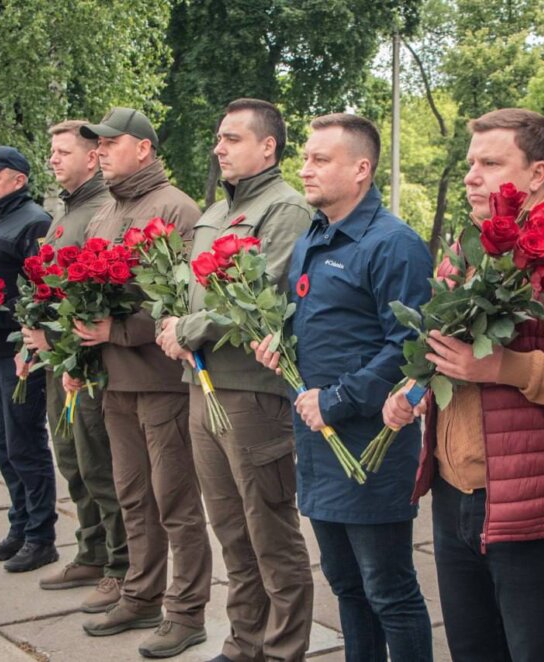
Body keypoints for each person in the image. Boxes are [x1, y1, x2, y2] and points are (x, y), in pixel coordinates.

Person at [383, 108, 544, 662]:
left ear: (537, 173)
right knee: (474, 650)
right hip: (455, 496)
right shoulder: (468, 252)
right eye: (471, 162)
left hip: (536, 500)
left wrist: (507, 368)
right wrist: (415, 387)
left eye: (491, 163)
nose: (472, 175)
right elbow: (444, 347)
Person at [253, 113, 433, 662]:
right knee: (346, 586)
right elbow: (317, 321)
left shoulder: (393, 244)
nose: (304, 169)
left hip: (369, 446)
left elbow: (411, 348)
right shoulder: (315, 235)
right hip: (317, 443)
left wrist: (335, 400)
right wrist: (276, 341)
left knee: (389, 590)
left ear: (361, 169)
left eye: (319, 160)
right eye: (305, 157)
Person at [157, 98, 313, 662]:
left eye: (233, 139)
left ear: (268, 146)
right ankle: (244, 642)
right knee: (230, 529)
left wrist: (189, 327)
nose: (219, 148)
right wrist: (168, 323)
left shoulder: (285, 209)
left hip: (252, 392)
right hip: (203, 387)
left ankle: (283, 649)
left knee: (270, 532)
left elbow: (264, 295)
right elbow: (184, 291)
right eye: (218, 139)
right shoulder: (213, 213)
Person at [70, 107, 211, 659]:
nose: (101, 151)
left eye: (111, 142)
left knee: (174, 500)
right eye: (97, 144)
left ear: (145, 149)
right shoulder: (107, 210)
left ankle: (187, 611)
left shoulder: (176, 208)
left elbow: (184, 301)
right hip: (115, 380)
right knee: (132, 495)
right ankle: (142, 594)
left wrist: (120, 329)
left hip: (162, 380)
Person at [19, 120, 127, 613]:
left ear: (91, 158)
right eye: (52, 152)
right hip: (57, 362)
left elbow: (102, 298)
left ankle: (121, 567)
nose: (53, 159)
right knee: (72, 463)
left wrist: (57, 338)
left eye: (64, 152)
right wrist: (33, 341)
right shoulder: (66, 214)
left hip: (87, 366)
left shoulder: (102, 210)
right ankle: (91, 550)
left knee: (99, 465)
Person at [0, 146, 58, 573]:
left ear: (18, 180)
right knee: (1, 444)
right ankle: (19, 527)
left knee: (25, 445)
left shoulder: (34, 221)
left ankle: (41, 537)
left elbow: (43, 294)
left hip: (20, 355)